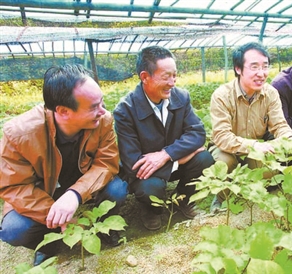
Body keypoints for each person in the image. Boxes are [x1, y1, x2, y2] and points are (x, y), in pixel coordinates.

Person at [0, 64, 128, 266]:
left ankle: (104, 227)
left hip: (82, 185)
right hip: (44, 192)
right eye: (94, 107)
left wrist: (75, 194)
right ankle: (48, 243)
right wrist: (55, 213)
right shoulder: (19, 134)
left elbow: (107, 164)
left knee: (117, 189)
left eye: (101, 102)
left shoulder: (103, 121)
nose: (103, 111)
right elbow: (14, 186)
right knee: (14, 230)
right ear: (63, 111)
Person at [113, 46, 214, 231]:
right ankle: (151, 210)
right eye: (166, 76)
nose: (172, 82)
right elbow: (133, 165)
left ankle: (183, 199)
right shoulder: (125, 110)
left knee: (205, 159)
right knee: (149, 188)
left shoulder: (181, 97)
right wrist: (181, 157)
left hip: (166, 163)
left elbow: (197, 133)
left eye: (175, 75)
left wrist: (166, 155)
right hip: (147, 175)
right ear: (145, 77)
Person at [209, 42, 292, 211]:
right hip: (226, 148)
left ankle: (247, 191)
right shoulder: (222, 95)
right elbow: (222, 137)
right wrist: (254, 145)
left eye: (265, 67)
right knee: (224, 163)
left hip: (256, 147)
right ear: (238, 69)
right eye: (254, 67)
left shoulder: (270, 93)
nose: (261, 74)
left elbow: (279, 126)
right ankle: (221, 198)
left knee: (269, 169)